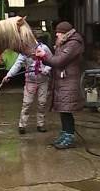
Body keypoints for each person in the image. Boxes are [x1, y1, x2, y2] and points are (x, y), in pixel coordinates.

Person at [35, 21, 84, 149]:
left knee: (67, 110)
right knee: (63, 110)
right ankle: (64, 134)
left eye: (59, 32)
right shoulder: (64, 43)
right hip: (62, 81)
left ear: (65, 33)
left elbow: (59, 61)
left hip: (69, 82)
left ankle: (69, 137)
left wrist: (44, 56)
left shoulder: (73, 44)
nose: (56, 34)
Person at [2, 36, 52, 134]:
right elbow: (17, 65)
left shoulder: (44, 48)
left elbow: (51, 61)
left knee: (42, 103)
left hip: (43, 80)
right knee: (27, 103)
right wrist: (8, 75)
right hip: (30, 80)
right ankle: (22, 125)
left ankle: (40, 124)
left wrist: (45, 70)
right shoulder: (24, 52)